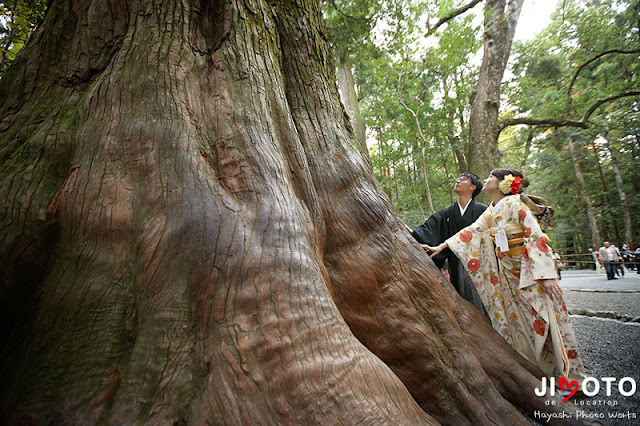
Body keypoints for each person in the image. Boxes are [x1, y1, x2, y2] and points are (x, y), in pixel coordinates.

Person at [426, 168, 586, 384]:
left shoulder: (515, 204)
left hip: (529, 273)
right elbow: (471, 232)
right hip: (508, 276)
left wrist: (547, 275)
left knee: (542, 318)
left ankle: (567, 374)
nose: (486, 179)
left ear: (503, 183)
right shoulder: (492, 210)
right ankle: (536, 371)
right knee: (519, 325)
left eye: (490, 177)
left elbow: (535, 236)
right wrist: (441, 246)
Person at [407, 173, 487, 313]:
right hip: (455, 263)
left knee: (480, 299)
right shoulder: (448, 212)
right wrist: (414, 232)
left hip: (478, 263)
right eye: (459, 178)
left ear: (473, 187)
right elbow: (431, 226)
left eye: (464, 179)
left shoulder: (482, 211)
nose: (458, 180)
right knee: (461, 300)